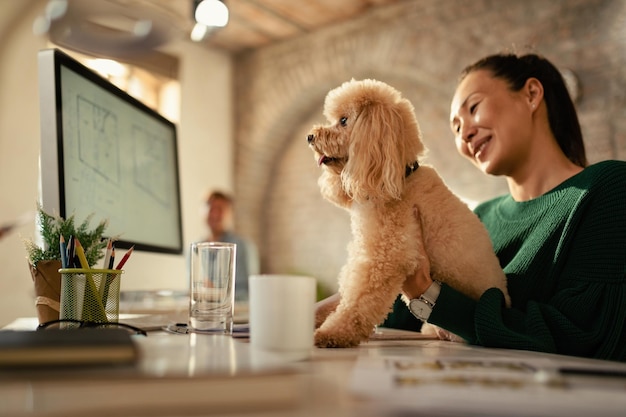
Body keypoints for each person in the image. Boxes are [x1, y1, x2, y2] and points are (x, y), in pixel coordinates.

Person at [319, 52, 626, 362]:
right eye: (455, 128)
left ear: (532, 94)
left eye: (473, 108)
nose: (464, 133)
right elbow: (398, 309)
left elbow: (587, 334)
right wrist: (317, 312)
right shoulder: (480, 218)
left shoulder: (608, 188)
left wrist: (428, 296)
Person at [202, 190, 259, 302]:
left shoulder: (243, 246)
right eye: (210, 207)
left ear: (230, 214)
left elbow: (249, 292)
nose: (214, 214)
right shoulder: (194, 249)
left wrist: (216, 294)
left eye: (220, 209)